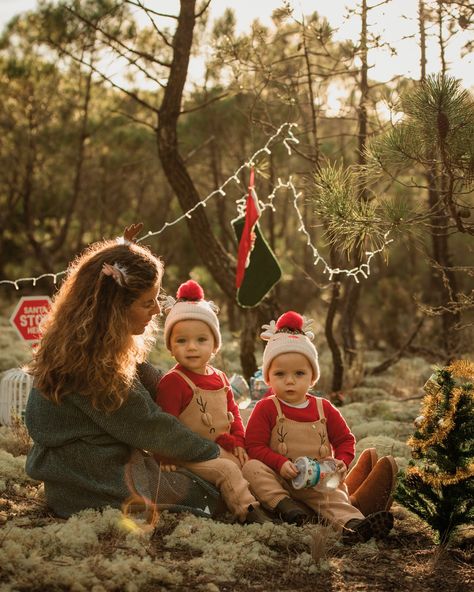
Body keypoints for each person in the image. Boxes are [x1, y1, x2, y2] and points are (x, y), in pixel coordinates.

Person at [24, 229, 227, 520]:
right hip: (90, 479)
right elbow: (148, 425)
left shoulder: (92, 347)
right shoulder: (90, 366)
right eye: (148, 302)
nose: (157, 310)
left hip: (95, 467)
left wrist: (211, 400)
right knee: (209, 493)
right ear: (115, 309)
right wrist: (215, 453)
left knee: (205, 476)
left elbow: (157, 383)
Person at [242, 311, 394, 544]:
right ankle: (287, 507)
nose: (289, 380)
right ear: (268, 378)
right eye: (280, 373)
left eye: (299, 373)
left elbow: (345, 439)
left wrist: (342, 460)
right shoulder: (267, 408)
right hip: (281, 480)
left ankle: (353, 526)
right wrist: (279, 463)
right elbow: (254, 445)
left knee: (334, 498)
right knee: (252, 468)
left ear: (312, 377)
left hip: (317, 481)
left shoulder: (324, 409)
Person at [155, 279, 271, 524]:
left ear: (215, 346)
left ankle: (279, 503)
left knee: (252, 466)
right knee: (227, 470)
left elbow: (233, 413)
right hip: (193, 456)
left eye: (201, 340)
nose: (192, 347)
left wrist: (239, 441)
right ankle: (249, 514)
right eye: (181, 341)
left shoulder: (219, 377)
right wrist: (164, 457)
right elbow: (165, 425)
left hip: (224, 446)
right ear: (170, 348)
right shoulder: (174, 382)